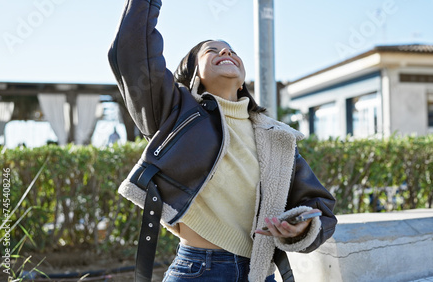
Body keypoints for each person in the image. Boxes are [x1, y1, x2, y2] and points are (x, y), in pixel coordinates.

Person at [108, 0, 337, 281]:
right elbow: (132, 54)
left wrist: (301, 227)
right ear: (194, 76)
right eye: (211, 51)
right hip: (198, 271)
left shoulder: (278, 137)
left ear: (242, 81)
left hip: (260, 273)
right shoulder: (174, 114)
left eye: (230, 50)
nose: (225, 51)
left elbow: (320, 205)